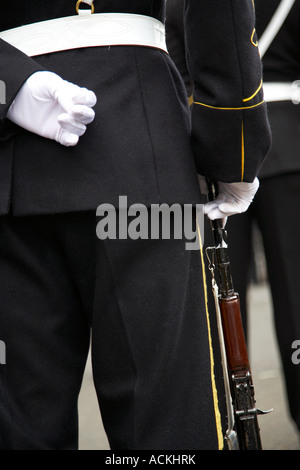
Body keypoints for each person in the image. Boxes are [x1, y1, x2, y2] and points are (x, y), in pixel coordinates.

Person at [0, 0, 271, 450]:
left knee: (20, 422)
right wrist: (233, 153)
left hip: (12, 168)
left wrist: (11, 85)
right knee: (166, 424)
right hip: (142, 149)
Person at [224, 0, 300, 435]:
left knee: (222, 300)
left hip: (223, 148)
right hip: (288, 144)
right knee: (295, 296)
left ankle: (230, 424)